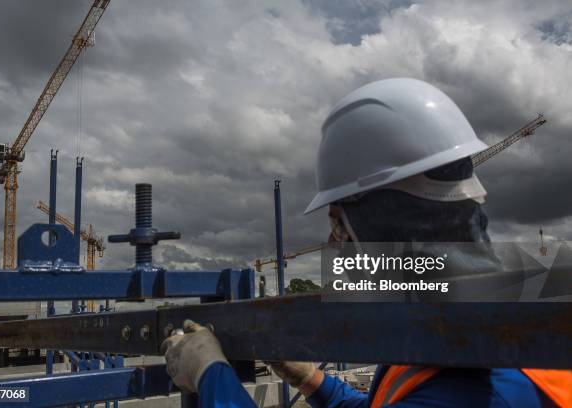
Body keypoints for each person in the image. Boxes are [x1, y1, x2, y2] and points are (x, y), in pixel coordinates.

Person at [162, 79, 571, 407]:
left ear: (373, 224)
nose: (333, 244)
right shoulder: (481, 329)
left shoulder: (479, 384)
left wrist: (212, 376)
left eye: (338, 226)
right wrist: (313, 381)